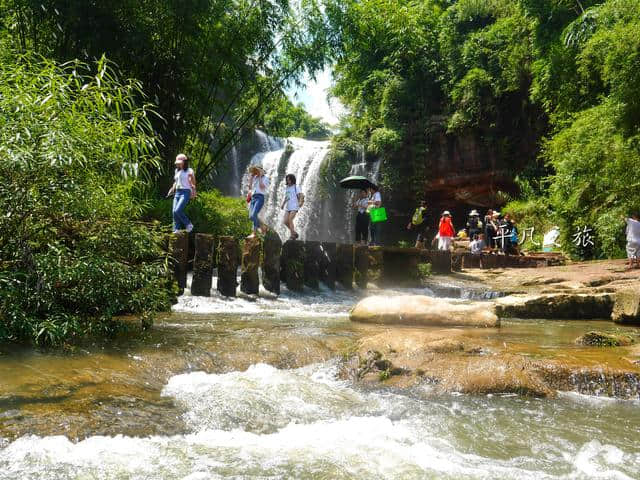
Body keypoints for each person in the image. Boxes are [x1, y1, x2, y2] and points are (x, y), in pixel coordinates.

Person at [167, 153, 196, 233]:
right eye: (178, 163)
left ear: (184, 162)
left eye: (180, 162)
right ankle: (176, 229)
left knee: (178, 210)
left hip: (186, 192)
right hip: (177, 192)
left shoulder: (189, 170)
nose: (178, 164)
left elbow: (193, 182)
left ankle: (188, 224)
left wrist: (193, 191)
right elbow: (176, 182)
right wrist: (171, 189)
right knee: (174, 212)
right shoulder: (177, 171)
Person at [247, 165, 270, 238]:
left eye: (257, 171)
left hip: (260, 197)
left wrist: (260, 177)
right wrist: (251, 178)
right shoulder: (255, 178)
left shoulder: (266, 178)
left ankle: (254, 233)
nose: (256, 172)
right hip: (253, 198)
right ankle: (262, 227)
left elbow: (262, 187)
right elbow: (250, 187)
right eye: (255, 171)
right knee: (251, 216)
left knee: (253, 215)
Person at [280, 173, 302, 240]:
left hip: (295, 206)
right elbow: (287, 197)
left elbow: (300, 195)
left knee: (290, 219)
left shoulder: (296, 187)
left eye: (289, 180)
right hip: (288, 207)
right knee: (285, 221)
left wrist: (300, 202)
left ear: (292, 180)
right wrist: (283, 204)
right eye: (287, 180)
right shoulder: (288, 188)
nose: (288, 181)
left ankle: (292, 235)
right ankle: (294, 232)